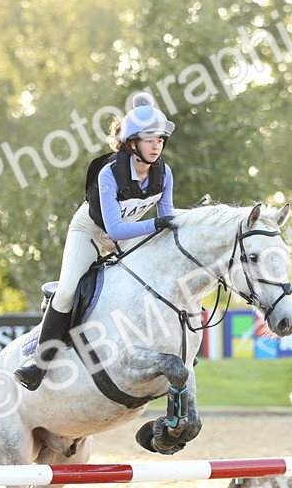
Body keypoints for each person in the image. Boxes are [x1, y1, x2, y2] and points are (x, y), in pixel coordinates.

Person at [14, 91, 178, 390]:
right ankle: (39, 362)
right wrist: (156, 223)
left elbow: (166, 217)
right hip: (91, 232)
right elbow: (115, 229)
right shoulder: (109, 173)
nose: (157, 146)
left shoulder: (163, 173)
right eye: (150, 139)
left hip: (129, 234)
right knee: (66, 293)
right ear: (132, 144)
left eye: (160, 140)